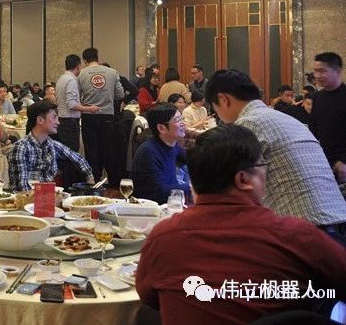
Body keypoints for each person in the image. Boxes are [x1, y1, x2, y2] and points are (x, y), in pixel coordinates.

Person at [136, 124, 346, 325]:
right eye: (262, 165)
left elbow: (149, 297)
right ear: (243, 180)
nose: (266, 173)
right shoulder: (297, 236)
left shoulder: (162, 237)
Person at [205, 69, 346, 245]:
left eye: (215, 108)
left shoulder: (247, 123)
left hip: (304, 234)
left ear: (223, 99)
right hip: (337, 225)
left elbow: (232, 187)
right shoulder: (286, 119)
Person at [7, 100, 94, 192]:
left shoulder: (52, 144)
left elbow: (78, 158)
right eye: (54, 117)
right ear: (40, 120)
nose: (58, 122)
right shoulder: (21, 148)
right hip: (25, 198)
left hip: (47, 196)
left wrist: (90, 179)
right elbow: (23, 189)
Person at [78, 48, 125, 183]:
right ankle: (113, 180)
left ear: (85, 60)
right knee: (107, 148)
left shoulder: (81, 74)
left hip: (88, 115)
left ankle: (94, 180)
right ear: (97, 57)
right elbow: (120, 94)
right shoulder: (112, 72)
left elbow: (77, 96)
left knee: (91, 150)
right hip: (107, 115)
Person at [131, 104, 191, 204]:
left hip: (170, 202)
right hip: (151, 208)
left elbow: (191, 159)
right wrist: (193, 187)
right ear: (161, 128)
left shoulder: (172, 143)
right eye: (177, 120)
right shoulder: (148, 152)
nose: (183, 123)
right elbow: (159, 192)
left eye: (182, 118)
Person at [309, 52, 346, 181]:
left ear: (338, 71)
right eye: (315, 71)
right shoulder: (317, 97)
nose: (317, 76)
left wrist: (344, 160)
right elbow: (313, 131)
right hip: (323, 162)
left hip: (342, 164)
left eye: (322, 71)